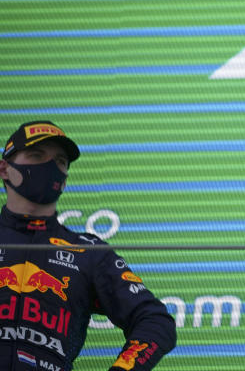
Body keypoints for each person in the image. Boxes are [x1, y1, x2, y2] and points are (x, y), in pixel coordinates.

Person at [0, 121, 176, 370]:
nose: (51, 166)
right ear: (4, 169)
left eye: (60, 161)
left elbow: (156, 321)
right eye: (37, 155)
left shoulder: (88, 252)